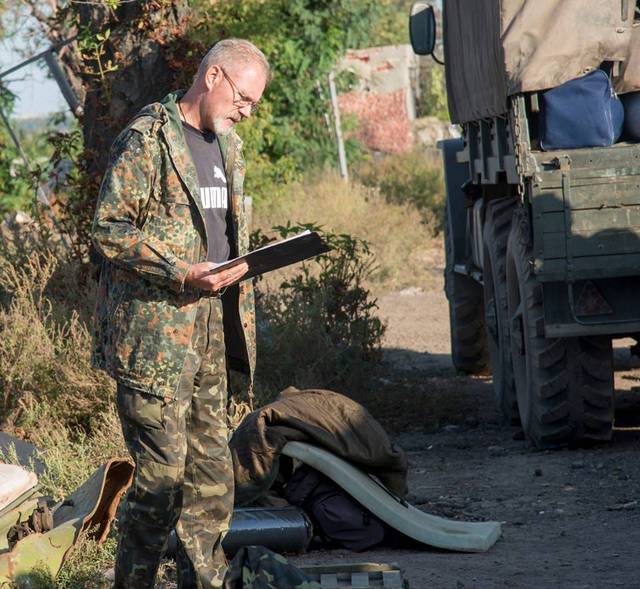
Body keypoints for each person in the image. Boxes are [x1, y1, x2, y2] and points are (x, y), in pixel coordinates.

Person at [91, 39, 269, 588]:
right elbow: (109, 229)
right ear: (213, 77)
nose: (246, 111)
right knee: (162, 485)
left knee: (213, 482)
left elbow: (222, 233)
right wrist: (180, 270)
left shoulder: (229, 147)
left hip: (213, 334)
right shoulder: (149, 138)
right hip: (155, 344)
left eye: (254, 105)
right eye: (243, 98)